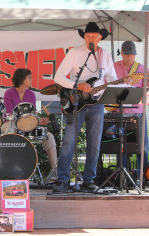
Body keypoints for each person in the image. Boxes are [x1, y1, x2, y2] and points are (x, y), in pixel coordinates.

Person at [53, 22, 118, 193]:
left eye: (94, 36)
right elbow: (58, 76)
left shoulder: (105, 55)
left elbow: (112, 77)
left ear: (100, 37)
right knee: (69, 142)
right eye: (88, 35)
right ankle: (62, 180)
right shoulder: (75, 52)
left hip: (97, 103)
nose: (90, 38)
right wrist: (77, 86)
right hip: (77, 102)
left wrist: (124, 82)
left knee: (94, 143)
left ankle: (89, 180)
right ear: (84, 37)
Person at [2, 68, 58, 169]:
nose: (32, 80)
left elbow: (32, 115)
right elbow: (9, 113)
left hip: (29, 126)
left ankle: (55, 171)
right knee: (8, 131)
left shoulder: (31, 95)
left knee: (49, 137)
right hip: (12, 123)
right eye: (29, 77)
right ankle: (10, 168)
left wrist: (39, 121)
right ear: (22, 79)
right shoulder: (9, 93)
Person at [114, 41, 149, 172]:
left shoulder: (143, 68)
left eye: (133, 55)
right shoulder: (114, 67)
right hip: (119, 111)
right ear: (122, 53)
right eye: (128, 55)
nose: (130, 57)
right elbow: (108, 85)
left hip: (138, 112)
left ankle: (143, 175)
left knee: (142, 145)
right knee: (121, 146)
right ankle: (122, 175)